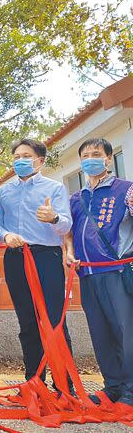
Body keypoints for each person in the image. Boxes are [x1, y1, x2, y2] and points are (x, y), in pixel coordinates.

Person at [0, 138, 73, 392]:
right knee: (27, 321)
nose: (20, 161)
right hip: (16, 257)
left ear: (40, 160)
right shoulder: (4, 191)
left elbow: (66, 225)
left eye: (26, 156)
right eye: (16, 157)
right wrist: (5, 236)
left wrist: (54, 217)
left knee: (54, 320)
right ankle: (33, 382)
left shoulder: (54, 188)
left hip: (45, 257)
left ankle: (64, 384)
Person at [65, 138, 133, 406]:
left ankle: (130, 390)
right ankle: (112, 386)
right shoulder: (76, 197)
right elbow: (68, 233)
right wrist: (69, 253)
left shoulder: (125, 190)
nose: (90, 158)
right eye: (85, 155)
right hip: (87, 275)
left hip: (116, 272)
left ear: (108, 159)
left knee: (125, 332)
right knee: (100, 331)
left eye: (97, 154)